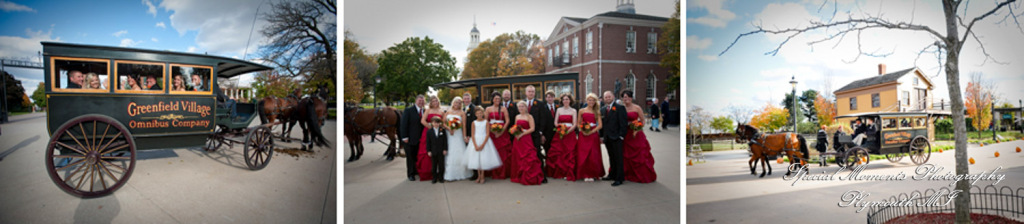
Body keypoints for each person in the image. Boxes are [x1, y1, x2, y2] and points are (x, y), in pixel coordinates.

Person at [620, 90, 656, 183]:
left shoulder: (637, 108)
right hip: (625, 134)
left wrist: (638, 128)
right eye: (624, 97)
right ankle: (626, 174)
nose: (626, 99)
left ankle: (641, 174)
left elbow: (643, 120)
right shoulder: (620, 108)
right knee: (625, 154)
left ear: (631, 98)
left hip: (636, 133)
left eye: (628, 97)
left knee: (639, 154)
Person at [465, 106, 502, 184]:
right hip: (475, 141)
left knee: (483, 159)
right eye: (477, 113)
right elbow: (473, 134)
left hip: (484, 141)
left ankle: (482, 176)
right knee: (477, 160)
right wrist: (475, 145)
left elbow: (487, 134)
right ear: (475, 114)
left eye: (481, 113)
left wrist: (482, 145)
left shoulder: (486, 122)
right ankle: (478, 175)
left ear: (483, 113)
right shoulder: (473, 123)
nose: (479, 115)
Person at [546, 93, 577, 181]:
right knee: (559, 153)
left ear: (570, 100)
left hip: (570, 134)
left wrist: (567, 131)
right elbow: (555, 122)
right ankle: (559, 172)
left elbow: (574, 124)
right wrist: (560, 130)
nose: (565, 101)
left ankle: (568, 172)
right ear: (562, 101)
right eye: (564, 99)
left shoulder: (573, 110)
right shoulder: (559, 110)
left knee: (569, 152)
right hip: (560, 133)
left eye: (567, 99)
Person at [511, 101, 543, 185]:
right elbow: (515, 127)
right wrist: (515, 133)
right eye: (519, 107)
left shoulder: (529, 116)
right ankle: (519, 175)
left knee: (528, 156)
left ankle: (529, 176)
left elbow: (532, 128)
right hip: (518, 139)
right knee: (518, 156)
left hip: (526, 138)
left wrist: (522, 134)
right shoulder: (517, 116)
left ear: (526, 107)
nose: (521, 108)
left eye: (522, 106)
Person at [601, 91, 628, 186]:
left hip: (617, 138)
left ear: (613, 97)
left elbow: (624, 124)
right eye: (606, 97)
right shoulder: (603, 109)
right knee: (611, 157)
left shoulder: (620, 108)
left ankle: (619, 178)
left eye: (609, 96)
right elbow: (603, 124)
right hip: (607, 138)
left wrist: (621, 136)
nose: (607, 98)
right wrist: (602, 137)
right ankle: (612, 175)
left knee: (618, 158)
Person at [524, 86, 550, 183]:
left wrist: (541, 132)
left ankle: (542, 175)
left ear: (535, 93)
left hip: (536, 134)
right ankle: (527, 174)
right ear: (526, 93)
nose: (531, 93)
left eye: (532, 91)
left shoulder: (540, 104)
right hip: (525, 134)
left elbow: (543, 119)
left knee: (537, 153)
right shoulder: (522, 103)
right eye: (529, 91)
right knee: (526, 154)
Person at [576, 93, 605, 182]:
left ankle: (592, 173)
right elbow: (578, 123)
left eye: (593, 100)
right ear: (586, 101)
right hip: (583, 135)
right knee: (583, 154)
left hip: (593, 135)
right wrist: (583, 131)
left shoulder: (597, 111)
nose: (591, 102)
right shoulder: (581, 110)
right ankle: (584, 174)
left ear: (595, 101)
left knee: (593, 154)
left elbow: (600, 125)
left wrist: (592, 131)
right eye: (589, 100)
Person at [444, 97, 473, 181]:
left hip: (458, 134)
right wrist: (449, 128)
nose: (457, 104)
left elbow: (463, 125)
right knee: (450, 151)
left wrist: (464, 136)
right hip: (450, 134)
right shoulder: (448, 112)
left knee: (459, 151)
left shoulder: (462, 113)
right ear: (453, 102)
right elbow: (443, 123)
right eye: (456, 102)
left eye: (459, 103)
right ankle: (450, 173)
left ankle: (461, 172)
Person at [485, 93, 513, 180]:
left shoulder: (504, 109)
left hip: (502, 133)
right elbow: (486, 121)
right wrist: (492, 130)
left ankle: (503, 172)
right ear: (492, 99)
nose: (497, 100)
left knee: (502, 152)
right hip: (491, 133)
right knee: (493, 151)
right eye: (496, 98)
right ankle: (492, 172)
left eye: (499, 99)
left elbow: (507, 121)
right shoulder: (488, 109)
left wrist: (501, 131)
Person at [417, 95, 445, 181]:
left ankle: (439, 173)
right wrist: (431, 128)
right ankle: (428, 172)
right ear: (431, 102)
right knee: (427, 151)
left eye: (436, 101)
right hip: (428, 132)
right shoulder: (428, 110)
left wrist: (438, 127)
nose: (435, 103)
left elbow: (443, 123)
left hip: (438, 131)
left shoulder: (441, 111)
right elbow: (423, 121)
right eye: (433, 101)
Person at [399, 95, 427, 181]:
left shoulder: (425, 111)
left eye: (422, 101)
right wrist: (404, 137)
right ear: (416, 101)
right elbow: (403, 125)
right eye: (419, 100)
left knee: (417, 156)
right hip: (410, 139)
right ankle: (410, 174)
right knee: (410, 157)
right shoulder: (408, 110)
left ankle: (416, 171)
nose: (421, 102)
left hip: (421, 139)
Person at [462, 92, 479, 180]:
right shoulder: (464, 108)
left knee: (473, 155)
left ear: (470, 99)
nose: (466, 100)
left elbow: (473, 123)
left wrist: (469, 136)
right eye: (465, 99)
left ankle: (476, 173)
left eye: (468, 98)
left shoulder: (473, 108)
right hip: (466, 135)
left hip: (471, 136)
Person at [425, 117, 448, 184]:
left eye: (437, 122)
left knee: (441, 165)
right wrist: (428, 150)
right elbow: (428, 142)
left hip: (441, 151)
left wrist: (445, 149)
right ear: (432, 123)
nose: (436, 124)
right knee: (434, 165)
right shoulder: (429, 131)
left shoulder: (442, 130)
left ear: (439, 123)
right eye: (434, 122)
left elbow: (445, 141)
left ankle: (441, 178)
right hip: (433, 151)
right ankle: (434, 178)